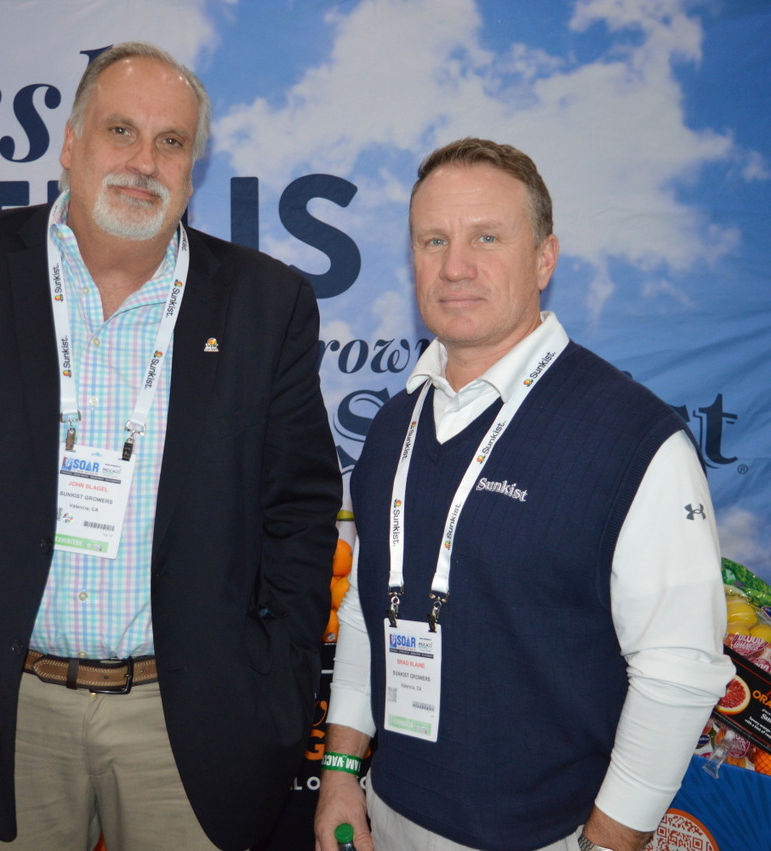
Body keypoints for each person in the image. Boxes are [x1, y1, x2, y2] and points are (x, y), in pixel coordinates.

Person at [0, 41, 342, 851]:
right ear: (72, 142)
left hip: (191, 722)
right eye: (121, 131)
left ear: (193, 168)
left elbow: (300, 506)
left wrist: (279, 680)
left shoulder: (268, 301)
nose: (143, 162)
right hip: (5, 706)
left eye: (170, 141)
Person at [312, 138, 733, 851]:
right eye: (434, 240)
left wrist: (605, 844)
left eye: (487, 237)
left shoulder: (634, 438)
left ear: (544, 259)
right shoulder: (391, 427)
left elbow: (680, 672)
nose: (455, 266)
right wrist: (342, 769)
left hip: (549, 835)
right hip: (387, 814)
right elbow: (364, 608)